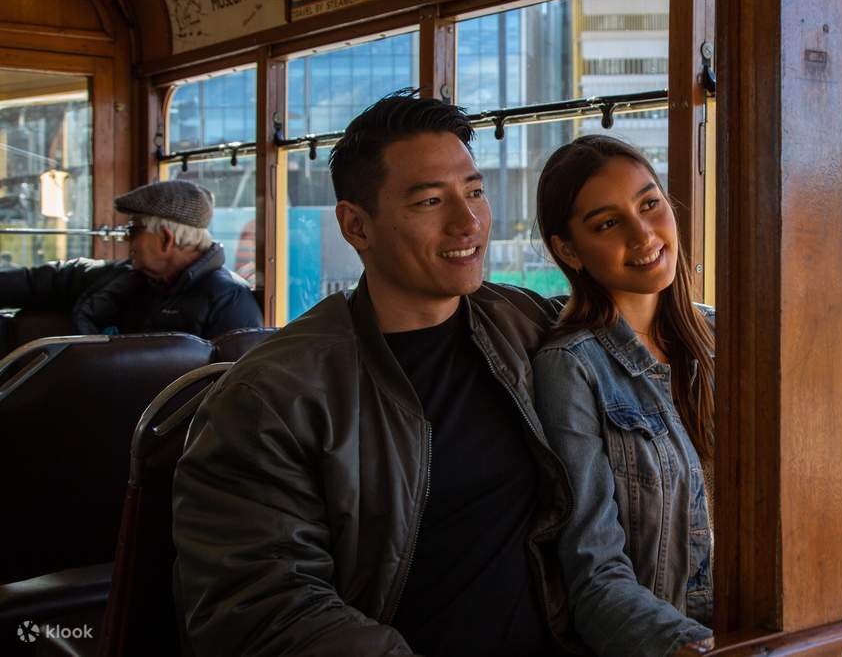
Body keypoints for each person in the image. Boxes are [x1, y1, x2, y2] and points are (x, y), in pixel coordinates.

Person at [172, 90, 577, 657]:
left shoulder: (524, 323)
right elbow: (263, 606)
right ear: (356, 226)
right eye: (430, 201)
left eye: (475, 192)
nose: (469, 222)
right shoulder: (272, 396)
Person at [532, 135, 716, 657]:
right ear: (569, 249)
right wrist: (692, 646)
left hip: (769, 630)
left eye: (649, 204)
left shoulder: (724, 340)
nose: (643, 234)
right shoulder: (571, 369)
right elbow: (594, 577)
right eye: (608, 223)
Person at [0, 179, 261, 339]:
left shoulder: (229, 302)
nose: (127, 240)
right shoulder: (124, 277)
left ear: (166, 239)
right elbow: (48, 280)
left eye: (133, 230)